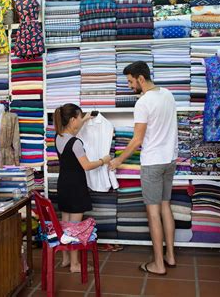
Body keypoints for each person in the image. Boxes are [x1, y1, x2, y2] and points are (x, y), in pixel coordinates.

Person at [109, 61, 178, 275]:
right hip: (170, 160)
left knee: (153, 213)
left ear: (140, 78)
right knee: (165, 207)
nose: (130, 86)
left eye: (130, 81)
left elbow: (136, 140)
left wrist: (118, 160)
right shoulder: (168, 94)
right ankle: (170, 256)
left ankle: (158, 264)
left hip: (153, 162)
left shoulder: (143, 103)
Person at [53, 103, 111, 273]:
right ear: (72, 120)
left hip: (63, 185)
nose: (80, 119)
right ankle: (75, 264)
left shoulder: (59, 136)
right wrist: (104, 160)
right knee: (75, 227)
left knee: (65, 224)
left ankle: (65, 259)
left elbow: (72, 137)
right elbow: (86, 165)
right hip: (76, 187)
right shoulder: (76, 142)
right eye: (79, 117)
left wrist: (84, 120)